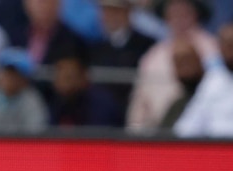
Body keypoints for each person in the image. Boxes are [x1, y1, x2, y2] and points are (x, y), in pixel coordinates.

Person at [126, 0, 218, 132]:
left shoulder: (213, 50)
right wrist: (134, 135)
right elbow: (140, 104)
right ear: (166, 18)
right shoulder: (153, 56)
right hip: (160, 134)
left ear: (196, 14)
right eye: (173, 14)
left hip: (205, 134)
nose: (179, 19)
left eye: (184, 13)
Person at [89, 0, 156, 112]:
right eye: (106, 11)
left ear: (127, 12)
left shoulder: (146, 45)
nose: (110, 16)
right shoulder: (95, 49)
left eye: (115, 11)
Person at [49, 52, 125, 127]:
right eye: (58, 76)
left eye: (68, 77)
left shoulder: (102, 105)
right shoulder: (58, 103)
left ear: (84, 76)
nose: (62, 83)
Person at [158, 36, 203, 129]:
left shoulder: (215, 91)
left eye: (186, 59)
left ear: (199, 59)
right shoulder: (177, 106)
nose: (183, 66)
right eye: (177, 62)